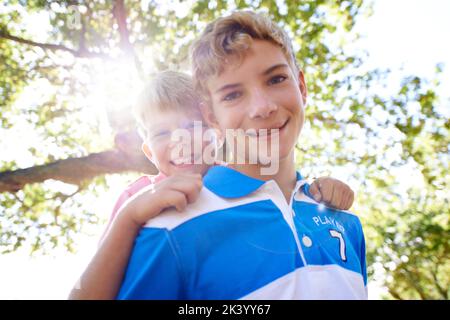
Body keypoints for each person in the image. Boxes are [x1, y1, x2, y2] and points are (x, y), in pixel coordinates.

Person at [114, 11, 367, 300]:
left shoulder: (345, 223)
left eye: (276, 79)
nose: (262, 107)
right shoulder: (167, 229)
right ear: (211, 116)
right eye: (232, 95)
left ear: (302, 86)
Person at [68, 70, 355, 300]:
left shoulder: (244, 184)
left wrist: (318, 190)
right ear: (148, 152)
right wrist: (129, 217)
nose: (180, 141)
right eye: (161, 133)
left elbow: (283, 195)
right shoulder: (138, 198)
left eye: (193, 127)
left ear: (217, 131)